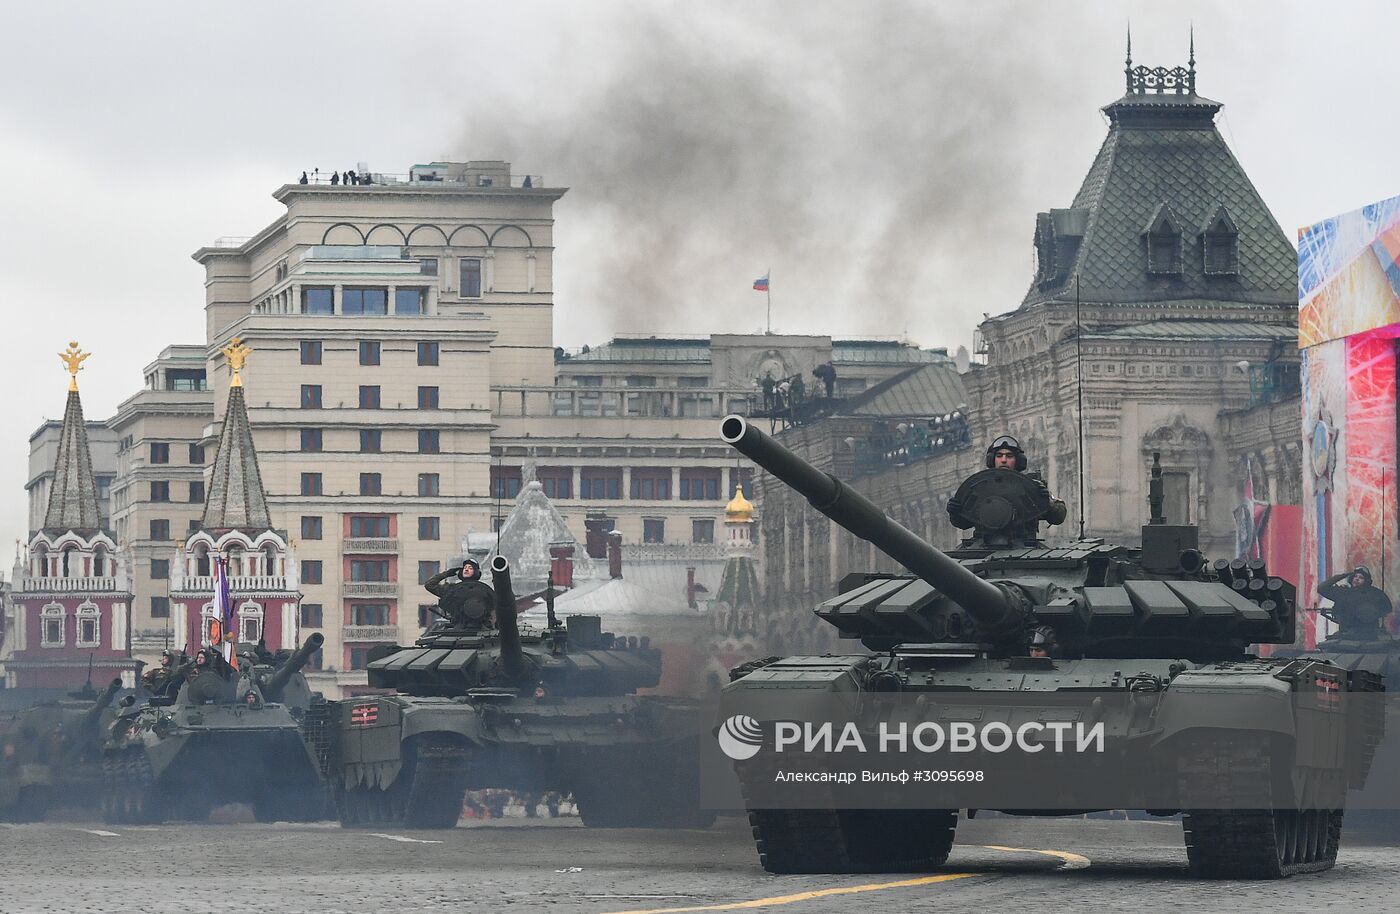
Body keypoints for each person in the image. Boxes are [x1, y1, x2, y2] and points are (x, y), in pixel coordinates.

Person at [986, 435, 1067, 526]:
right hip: (985, 539)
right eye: (999, 456)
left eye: (1009, 456)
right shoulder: (982, 487)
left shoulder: (1030, 486)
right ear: (992, 460)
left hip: (1022, 539)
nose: (1004, 460)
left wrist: (1046, 501)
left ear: (1018, 461)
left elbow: (1058, 517)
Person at [1318, 566, 1393, 640]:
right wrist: (1343, 575)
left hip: (1369, 634)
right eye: (1355, 576)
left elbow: (1387, 607)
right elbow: (1322, 588)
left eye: (1361, 577)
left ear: (1366, 580)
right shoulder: (1343, 593)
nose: (1357, 579)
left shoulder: (1375, 594)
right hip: (1346, 634)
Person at [425, 558, 496, 628]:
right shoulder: (452, 590)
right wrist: (447, 573)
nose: (466, 569)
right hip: (457, 626)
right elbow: (429, 585)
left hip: (482, 626)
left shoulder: (484, 591)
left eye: (470, 568)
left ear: (476, 571)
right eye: (465, 567)